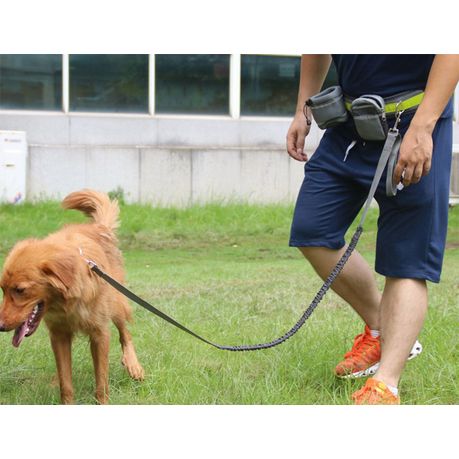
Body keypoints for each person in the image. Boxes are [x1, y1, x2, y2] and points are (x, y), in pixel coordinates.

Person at [286, 55, 459, 404]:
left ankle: (386, 383)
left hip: (413, 119)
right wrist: (303, 108)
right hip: (349, 121)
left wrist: (423, 128)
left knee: (406, 259)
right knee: (312, 228)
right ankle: (384, 328)